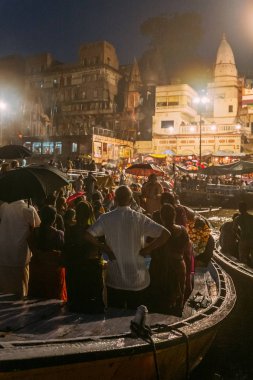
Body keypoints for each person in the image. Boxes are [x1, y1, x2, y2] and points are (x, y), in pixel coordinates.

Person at [86, 185, 170, 310]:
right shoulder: (140, 218)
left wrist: (103, 247)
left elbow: (88, 235)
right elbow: (165, 234)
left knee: (114, 318)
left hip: (115, 279)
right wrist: (148, 249)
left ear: (115, 199)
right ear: (131, 201)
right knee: (135, 319)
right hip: (137, 279)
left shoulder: (105, 218)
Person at [149, 204, 193, 316]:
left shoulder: (158, 232)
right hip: (179, 265)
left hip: (162, 268)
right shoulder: (183, 230)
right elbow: (187, 247)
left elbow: (150, 249)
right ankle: (178, 316)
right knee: (179, 296)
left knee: (160, 298)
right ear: (174, 216)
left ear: (161, 217)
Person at [64, 201, 104, 313]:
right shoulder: (93, 230)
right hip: (90, 269)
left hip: (74, 269)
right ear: (89, 214)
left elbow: (66, 248)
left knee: (75, 302)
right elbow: (97, 250)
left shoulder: (70, 230)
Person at [0, 199, 41, 298]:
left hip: (4, 251)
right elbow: (37, 225)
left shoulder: (4, 207)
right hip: (20, 254)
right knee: (21, 289)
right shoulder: (28, 209)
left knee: (5, 289)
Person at [28, 205, 66, 300]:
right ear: (54, 218)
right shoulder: (58, 234)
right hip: (52, 271)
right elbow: (63, 251)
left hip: (37, 268)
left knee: (36, 297)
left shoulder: (34, 232)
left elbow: (30, 244)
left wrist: (39, 255)